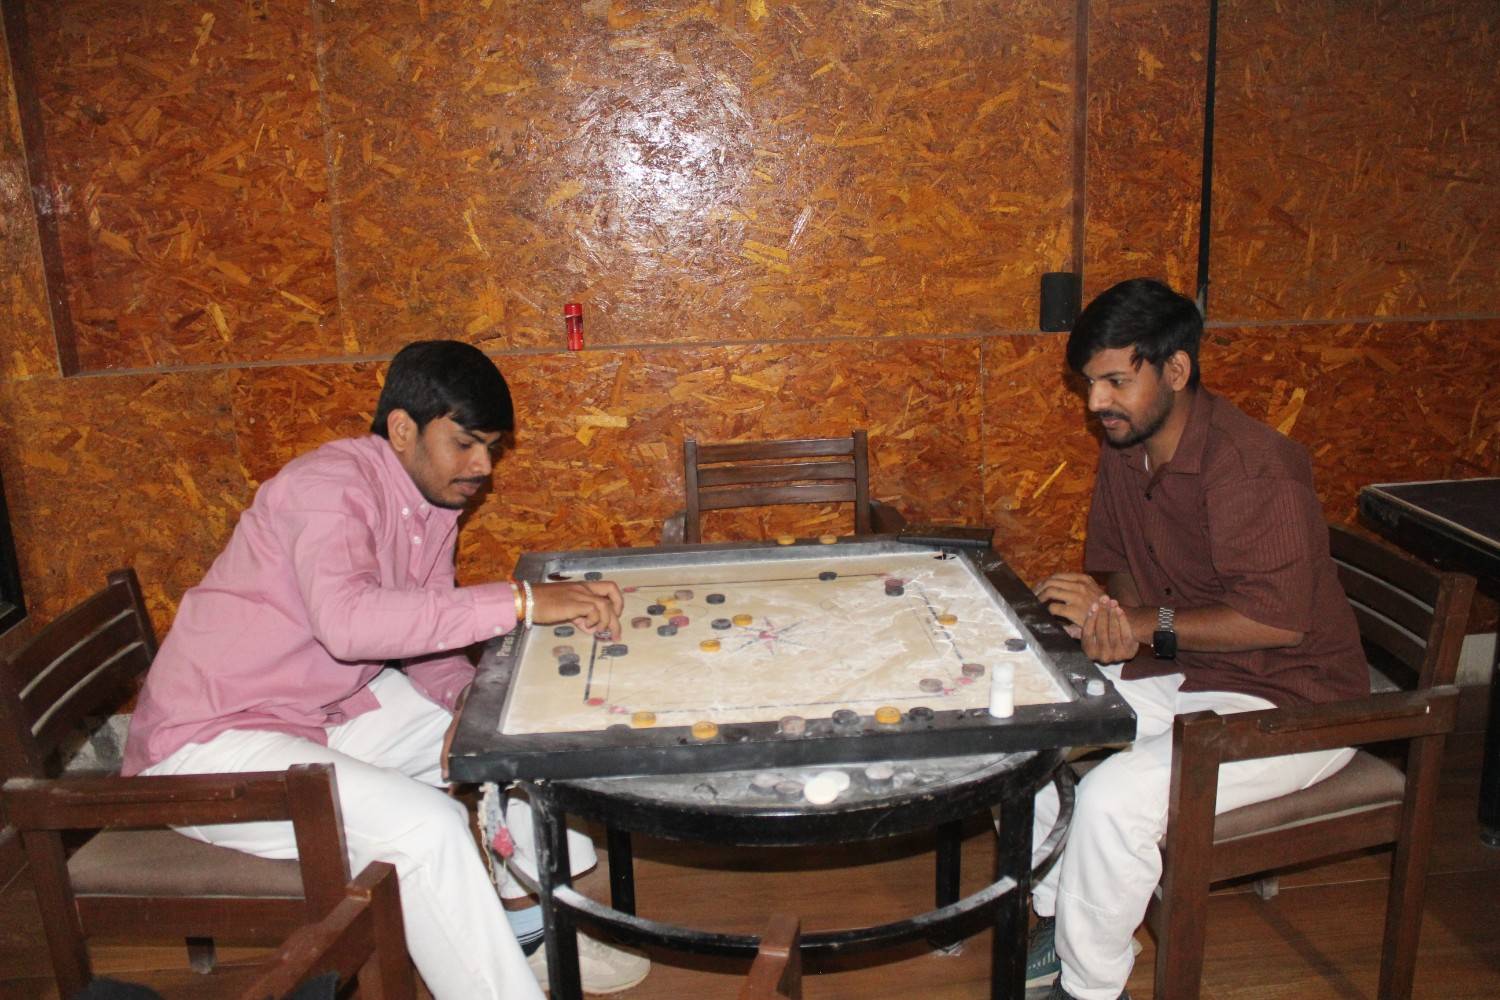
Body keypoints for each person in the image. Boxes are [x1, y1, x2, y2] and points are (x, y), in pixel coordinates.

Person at [122, 340, 651, 999]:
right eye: (465, 443)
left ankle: (531, 939)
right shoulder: (324, 490)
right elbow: (352, 626)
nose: (482, 465)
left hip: (322, 711)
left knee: (515, 742)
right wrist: (521, 602)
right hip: (210, 745)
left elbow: (421, 636)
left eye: (492, 447)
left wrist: (472, 702)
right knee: (428, 830)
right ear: (403, 429)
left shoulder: (431, 499)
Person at [1027, 278, 1367, 1000]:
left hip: (1297, 703)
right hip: (1199, 676)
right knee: (1032, 723)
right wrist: (1110, 624)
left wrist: (1145, 626)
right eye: (1090, 384)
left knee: (1115, 798)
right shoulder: (1126, 449)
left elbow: (1275, 621)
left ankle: (1088, 988)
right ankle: (1055, 918)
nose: (1097, 404)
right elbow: (1117, 568)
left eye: (1116, 380)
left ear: (1176, 371)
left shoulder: (1254, 467)